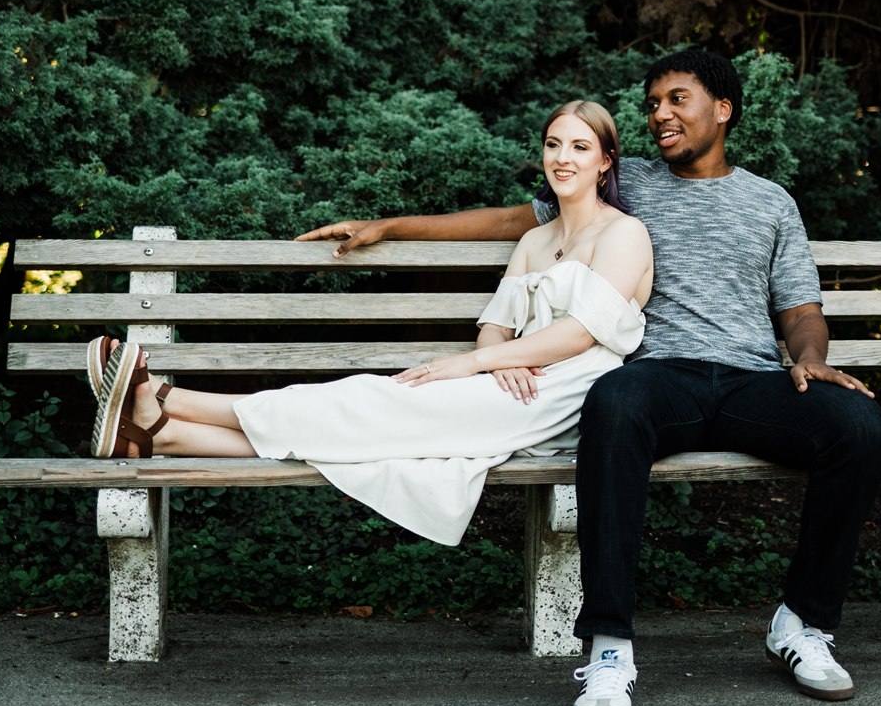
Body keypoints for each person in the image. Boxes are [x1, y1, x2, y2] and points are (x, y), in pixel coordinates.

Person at [301, 50, 881, 706]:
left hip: (749, 382)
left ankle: (804, 623)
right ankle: (610, 647)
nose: (659, 115)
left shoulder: (770, 202)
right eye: (652, 104)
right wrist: (392, 226)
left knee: (859, 427)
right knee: (611, 402)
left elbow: (799, 308)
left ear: (723, 109)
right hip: (657, 378)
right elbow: (510, 222)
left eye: (677, 100)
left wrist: (811, 360)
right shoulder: (627, 183)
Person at [89, 100, 653, 547]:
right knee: (374, 425)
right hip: (513, 380)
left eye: (580, 147)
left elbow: (581, 334)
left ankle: (167, 395)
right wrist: (498, 358)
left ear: (605, 162)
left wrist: (482, 363)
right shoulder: (535, 240)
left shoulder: (623, 233)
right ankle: (164, 432)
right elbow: (496, 326)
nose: (563, 158)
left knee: (379, 403)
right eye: (554, 144)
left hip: (572, 393)